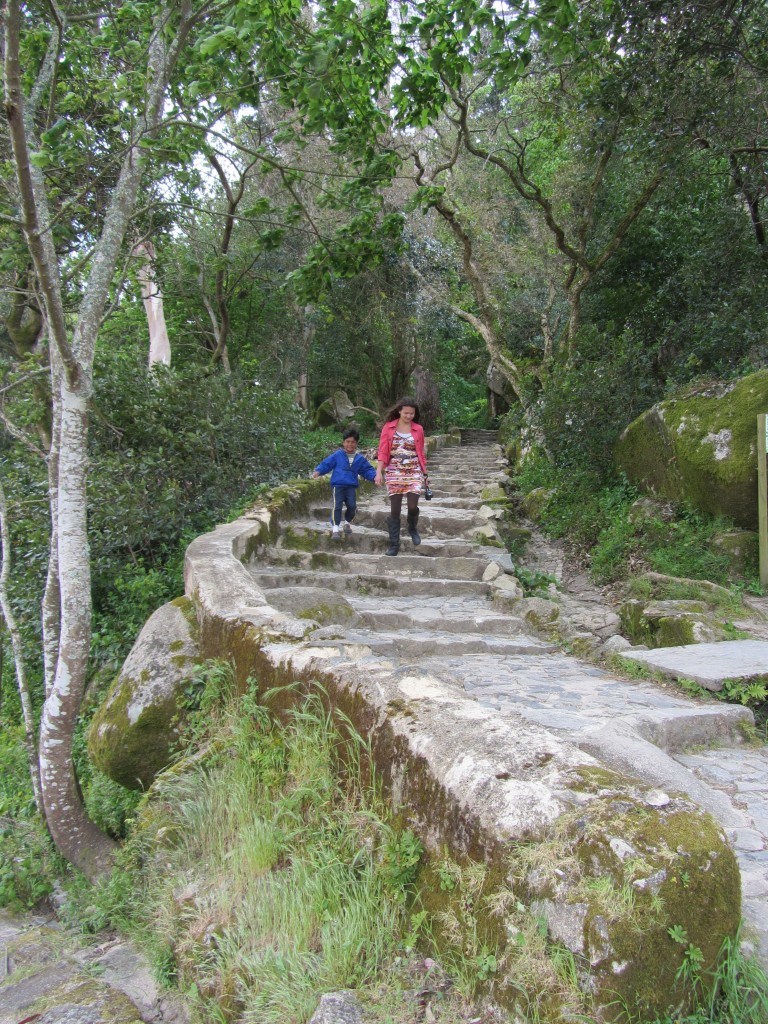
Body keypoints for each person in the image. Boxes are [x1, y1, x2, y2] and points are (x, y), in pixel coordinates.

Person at [374, 396, 428, 556]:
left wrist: (425, 473)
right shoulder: (388, 428)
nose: (409, 416)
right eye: (406, 413)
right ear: (399, 411)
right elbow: (383, 451)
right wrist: (378, 472)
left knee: (412, 505)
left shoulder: (418, 429)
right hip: (394, 469)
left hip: (413, 469)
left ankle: (412, 527)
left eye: (412, 414)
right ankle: (394, 544)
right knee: (395, 509)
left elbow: (421, 453)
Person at [313, 428, 377, 540]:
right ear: (343, 443)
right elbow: (327, 464)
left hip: (351, 487)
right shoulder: (337, 455)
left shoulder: (360, 459)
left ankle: (347, 523)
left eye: (353, 442)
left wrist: (375, 477)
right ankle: (335, 529)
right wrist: (318, 471)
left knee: (352, 506)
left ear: (356, 443)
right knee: (337, 506)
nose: (350, 444)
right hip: (338, 486)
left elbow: (367, 470)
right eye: (347, 442)